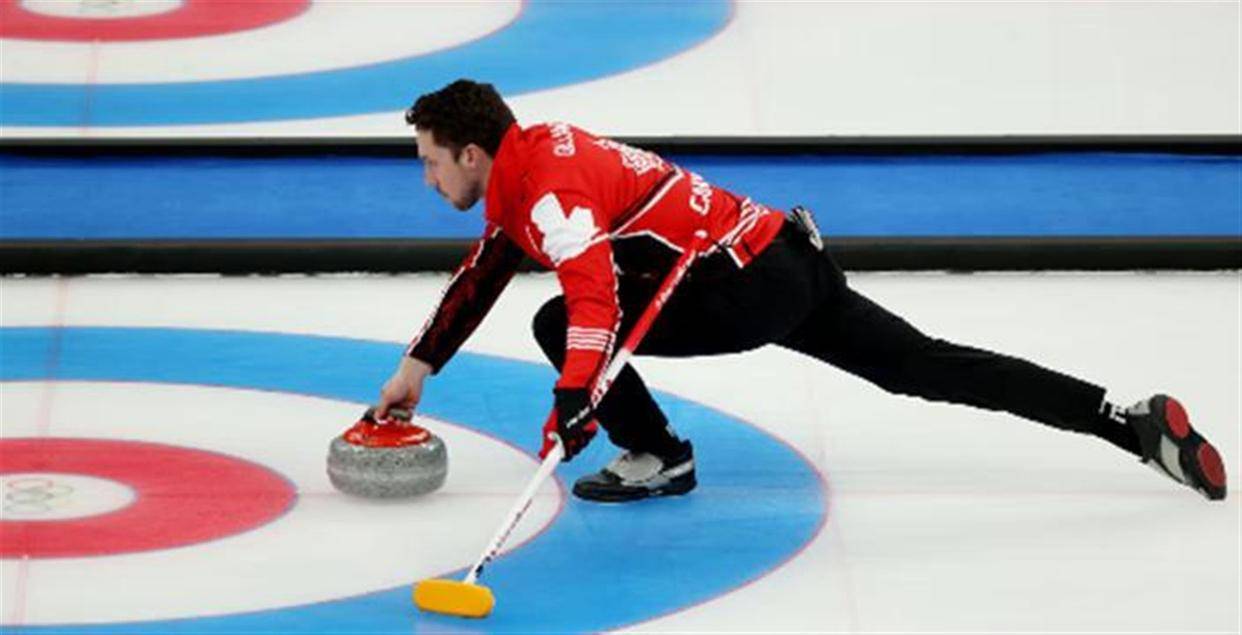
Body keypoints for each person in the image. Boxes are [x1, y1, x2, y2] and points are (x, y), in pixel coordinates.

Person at [375, 78, 1227, 503]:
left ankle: (660, 455)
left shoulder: (549, 194)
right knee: (924, 363)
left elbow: (593, 300)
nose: (426, 178)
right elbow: (485, 268)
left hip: (738, 285)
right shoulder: (538, 157)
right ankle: (1126, 420)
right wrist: (419, 365)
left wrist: (575, 396)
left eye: (430, 161)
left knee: (561, 320)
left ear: (473, 154)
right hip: (786, 254)